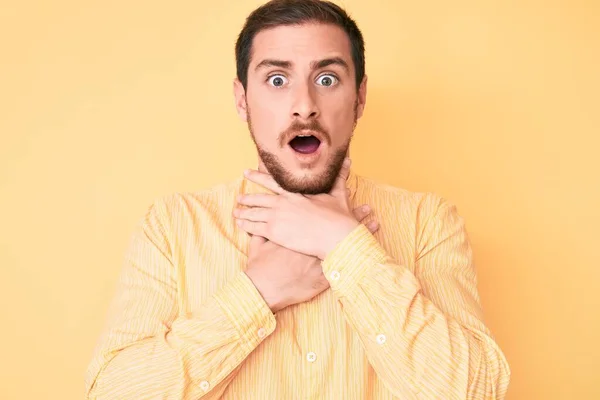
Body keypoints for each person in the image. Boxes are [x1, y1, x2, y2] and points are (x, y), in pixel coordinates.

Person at [85, 0, 510, 398]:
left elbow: (475, 390)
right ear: (242, 99)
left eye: (327, 79)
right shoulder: (172, 225)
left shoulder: (428, 222)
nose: (304, 107)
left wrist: (345, 247)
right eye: (277, 80)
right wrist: (258, 292)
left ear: (360, 97)